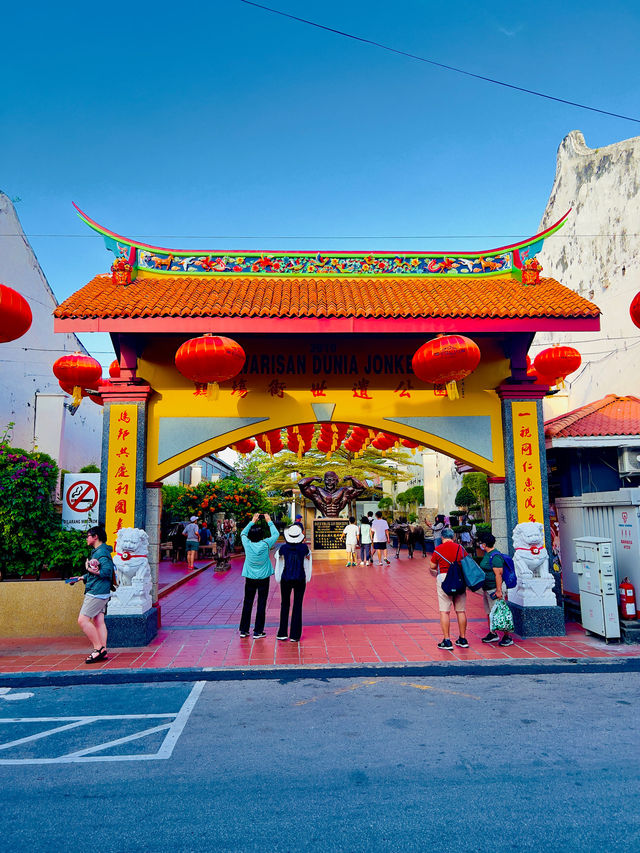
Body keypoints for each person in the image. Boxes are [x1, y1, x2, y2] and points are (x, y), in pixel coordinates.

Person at [68, 525, 115, 665]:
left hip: (96, 592)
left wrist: (89, 569)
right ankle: (103, 650)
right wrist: (82, 577)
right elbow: (96, 572)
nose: (87, 538)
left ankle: (98, 648)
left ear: (95, 537)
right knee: (99, 621)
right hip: (101, 591)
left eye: (88, 536)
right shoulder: (100, 551)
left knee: (82, 620)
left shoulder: (101, 553)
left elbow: (106, 572)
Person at [239, 513, 279, 639]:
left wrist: (252, 521)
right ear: (262, 535)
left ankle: (244, 630)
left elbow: (242, 534)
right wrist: (269, 521)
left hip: (250, 577)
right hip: (263, 578)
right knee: (261, 603)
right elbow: (276, 534)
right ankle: (258, 631)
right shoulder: (266, 544)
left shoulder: (247, 543)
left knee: (248, 602)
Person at [430, 528, 469, 651]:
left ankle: (447, 640)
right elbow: (466, 563)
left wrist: (434, 573)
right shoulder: (460, 548)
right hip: (459, 579)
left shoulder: (438, 549)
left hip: (444, 579)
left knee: (444, 611)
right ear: (453, 537)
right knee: (461, 611)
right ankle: (462, 639)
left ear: (442, 537)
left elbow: (432, 567)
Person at [275, 524, 312, 642]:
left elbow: (277, 557)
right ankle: (295, 635)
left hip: (286, 578)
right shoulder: (304, 548)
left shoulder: (283, 548)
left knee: (284, 604)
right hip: (300, 578)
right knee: (297, 605)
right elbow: (308, 559)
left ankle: (282, 633)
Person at [477, 532, 513, 647]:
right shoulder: (487, 554)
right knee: (490, 612)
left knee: (500, 613)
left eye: (481, 543)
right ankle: (492, 633)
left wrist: (498, 591)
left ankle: (507, 636)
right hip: (487, 588)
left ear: (485, 544)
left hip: (494, 588)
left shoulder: (495, 556)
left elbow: (499, 575)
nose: (480, 545)